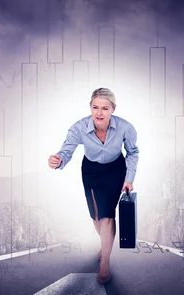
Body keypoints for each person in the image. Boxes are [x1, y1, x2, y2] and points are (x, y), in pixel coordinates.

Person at [47, 87, 139, 284]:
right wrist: (58, 160)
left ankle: (105, 261)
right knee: (96, 216)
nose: (99, 112)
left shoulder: (126, 128)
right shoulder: (79, 128)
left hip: (116, 170)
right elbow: (66, 150)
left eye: (105, 108)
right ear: (90, 107)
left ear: (113, 109)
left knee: (107, 216)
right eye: (95, 107)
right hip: (91, 172)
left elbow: (133, 153)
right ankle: (105, 243)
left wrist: (129, 178)